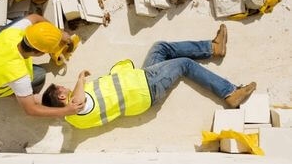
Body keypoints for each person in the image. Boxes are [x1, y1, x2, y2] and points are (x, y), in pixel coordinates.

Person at [41, 24, 257, 129]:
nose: (66, 88)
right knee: (184, 64)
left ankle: (213, 47)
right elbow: (79, 103)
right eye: (62, 89)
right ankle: (229, 92)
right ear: (61, 96)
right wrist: (80, 79)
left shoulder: (75, 121)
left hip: (140, 82)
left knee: (160, 48)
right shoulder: (76, 109)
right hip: (145, 88)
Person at [0, 14, 84, 117]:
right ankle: (16, 95)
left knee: (18, 21)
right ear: (40, 53)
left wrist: (58, 33)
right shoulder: (19, 75)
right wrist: (66, 111)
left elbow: (35, 17)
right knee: (39, 75)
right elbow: (31, 110)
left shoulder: (14, 33)